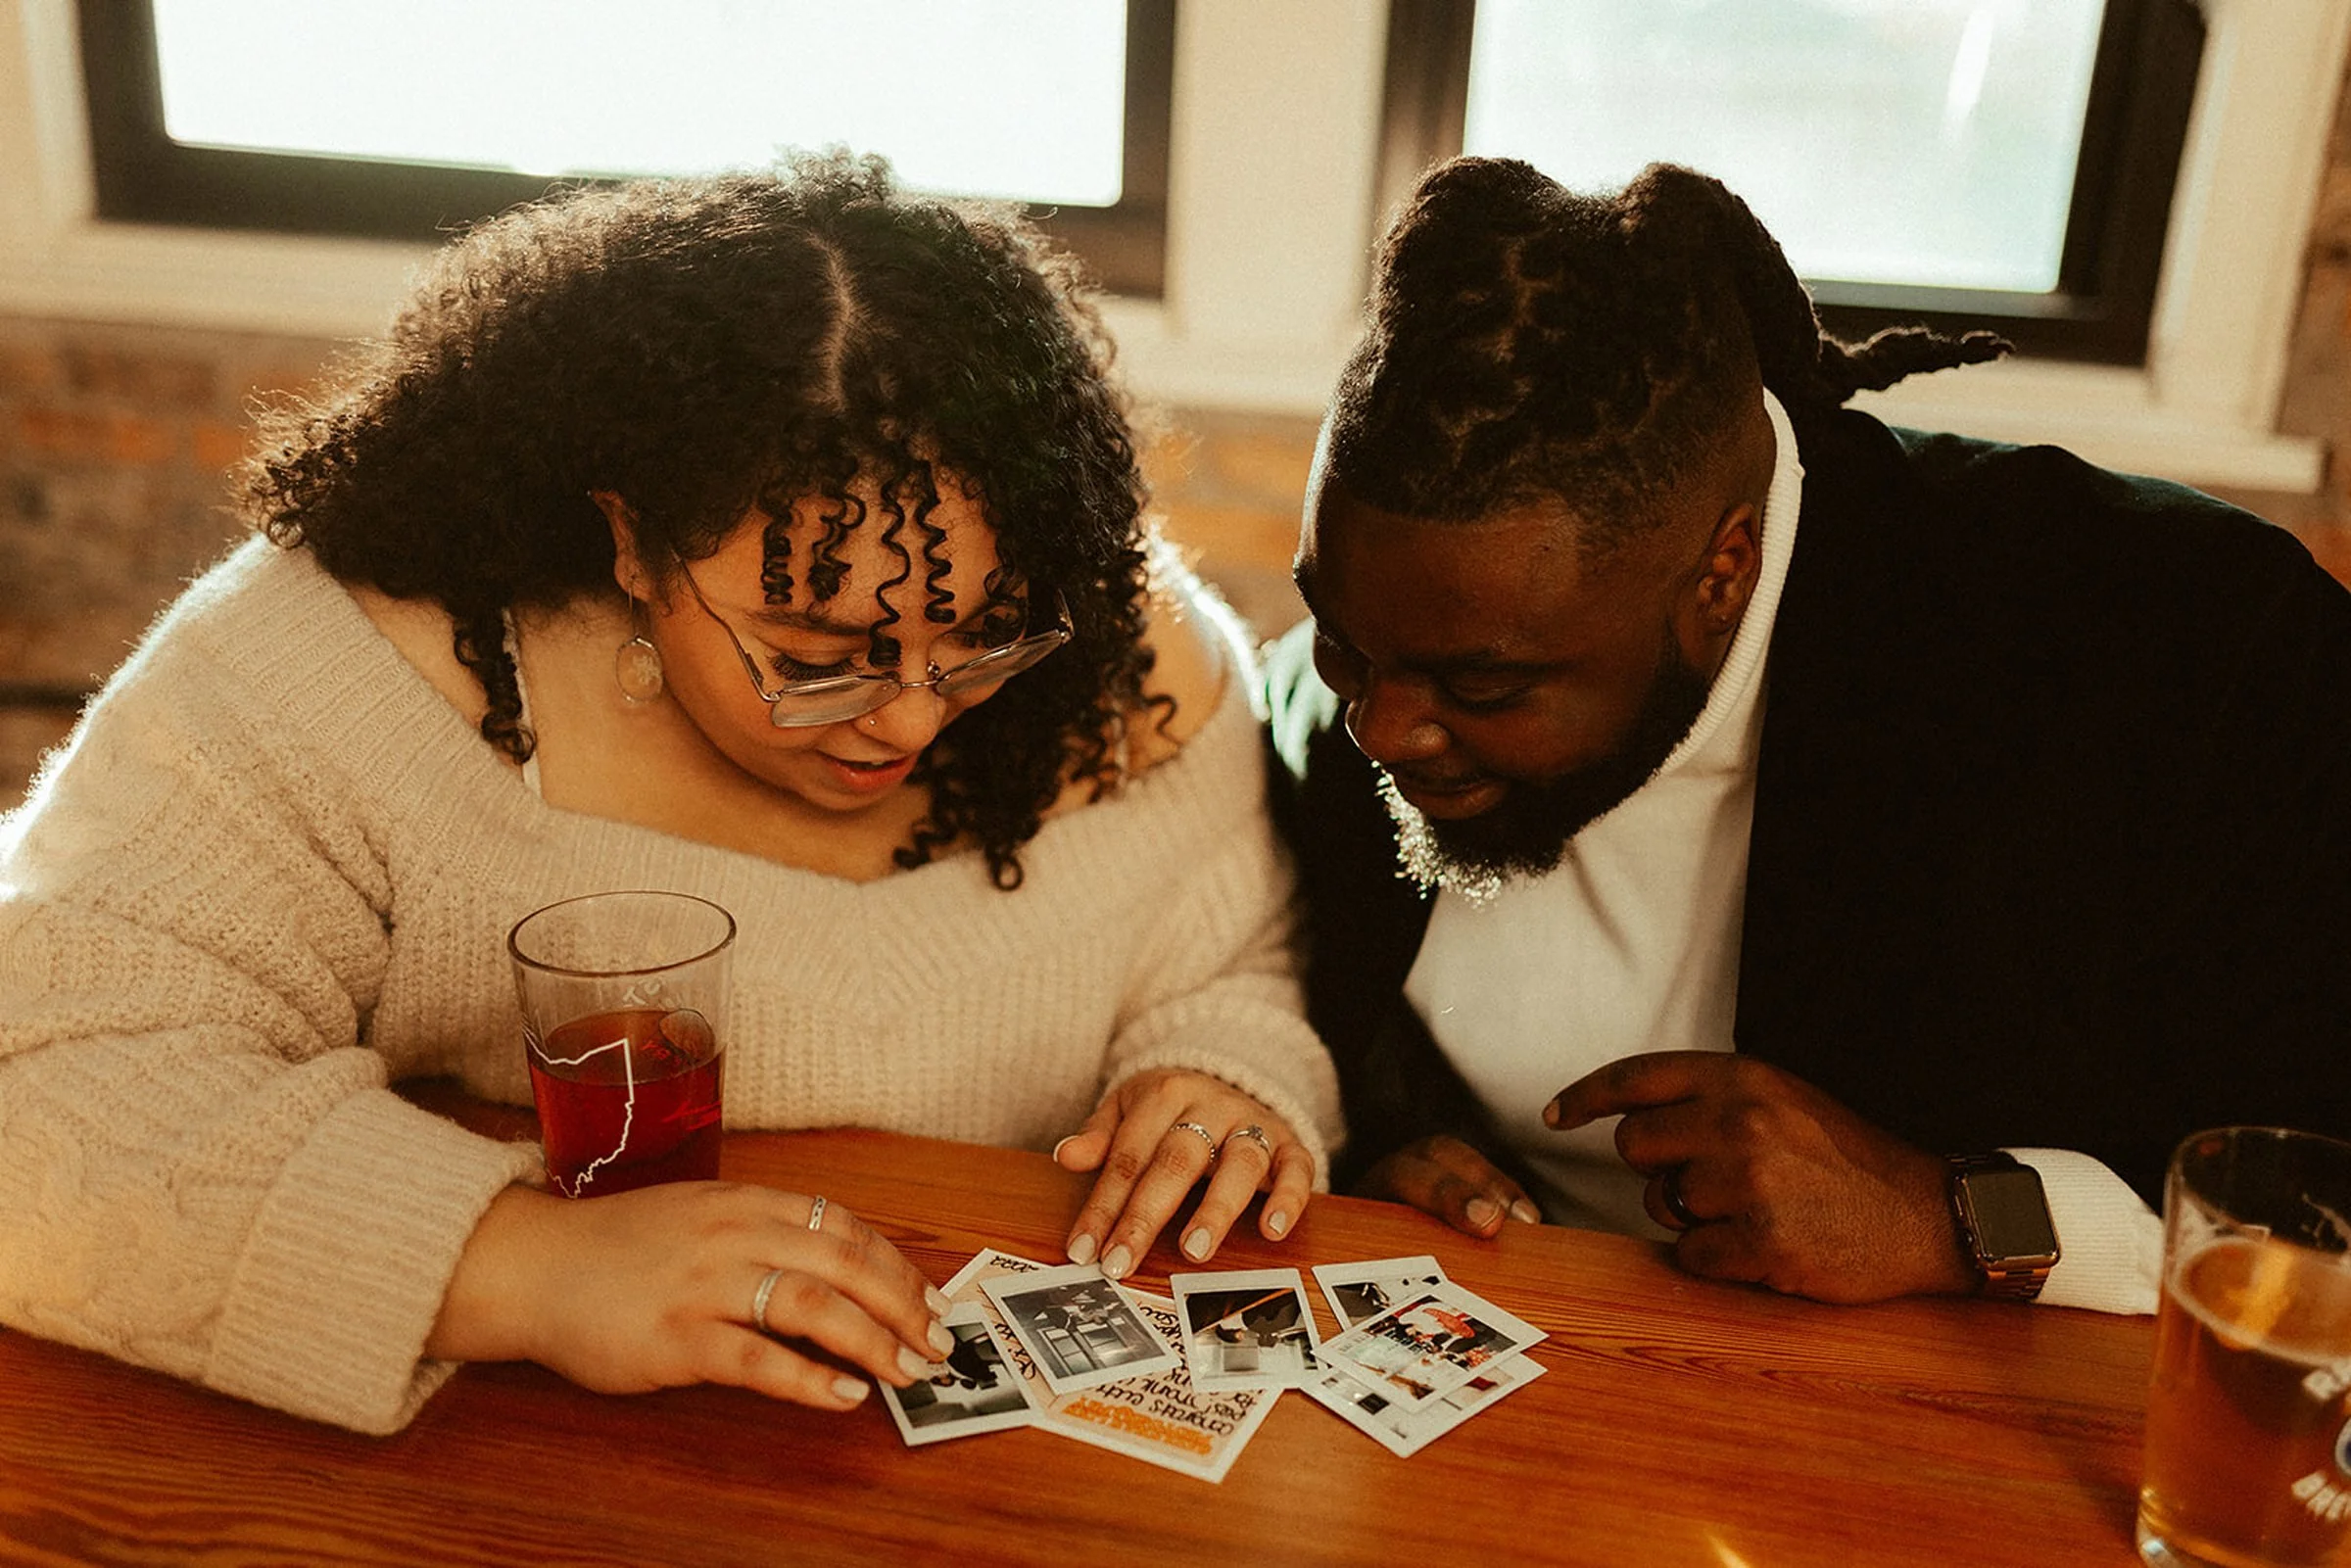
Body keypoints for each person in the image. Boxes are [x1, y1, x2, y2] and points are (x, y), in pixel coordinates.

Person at [0, 154, 1339, 1434]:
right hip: (500, 1453)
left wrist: (1219, 1070)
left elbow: (1241, 953)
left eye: (984, 637)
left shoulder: (1127, 654)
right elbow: (45, 1092)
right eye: (816, 656)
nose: (914, 715)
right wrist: (519, 1264)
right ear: (632, 539)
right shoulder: (348, 670)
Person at [1267, 157, 2351, 1313]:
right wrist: (1368, 1155)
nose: (1379, 727)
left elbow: (2312, 1201)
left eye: (1484, 684)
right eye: (1338, 636)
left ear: (1723, 571)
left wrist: (1950, 1216)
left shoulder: (2192, 655)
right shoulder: (1361, 670)